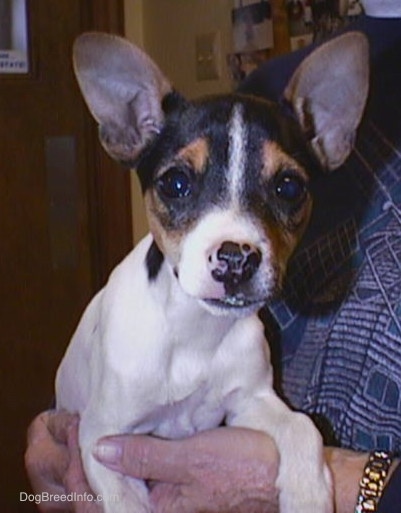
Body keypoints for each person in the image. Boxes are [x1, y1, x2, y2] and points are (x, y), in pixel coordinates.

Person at [25, 1, 401, 511]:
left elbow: (254, 402)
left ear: (330, 137)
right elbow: (94, 440)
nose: (236, 244)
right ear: (126, 130)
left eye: (285, 189)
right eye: (179, 184)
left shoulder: (245, 332)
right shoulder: (267, 90)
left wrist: (321, 467)